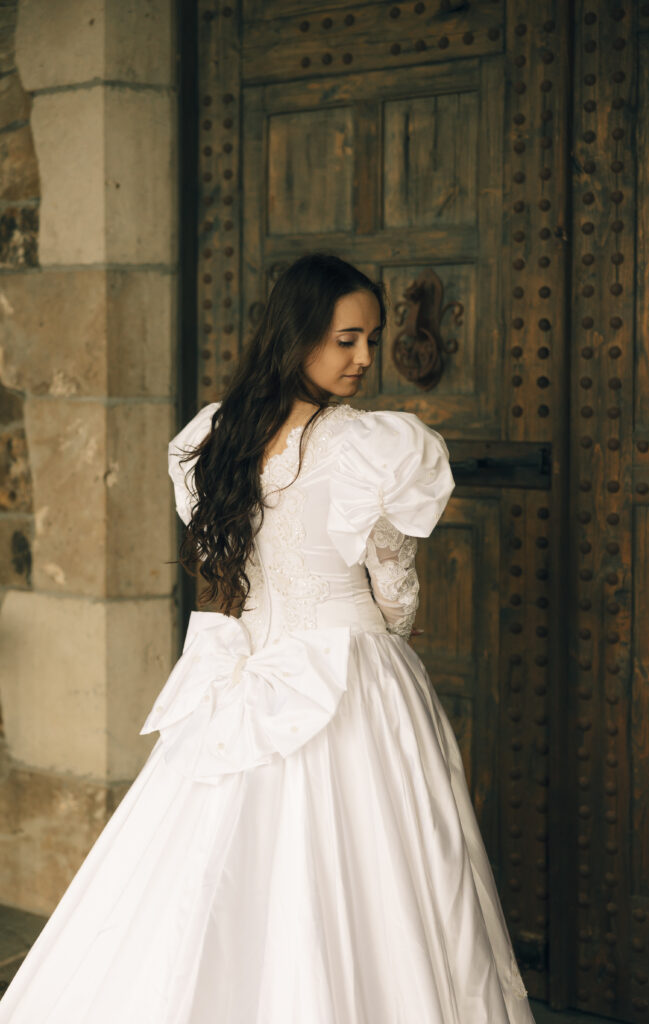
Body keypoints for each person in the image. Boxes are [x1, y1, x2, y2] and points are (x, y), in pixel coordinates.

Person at [0, 253, 535, 1023]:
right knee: (367, 875)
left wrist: (240, 651)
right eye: (346, 339)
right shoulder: (372, 448)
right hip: (349, 673)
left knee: (222, 873)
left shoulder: (214, 437)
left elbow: (219, 583)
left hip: (239, 672)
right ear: (298, 335)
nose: (362, 359)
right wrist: (374, 631)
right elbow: (396, 590)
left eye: (371, 341)